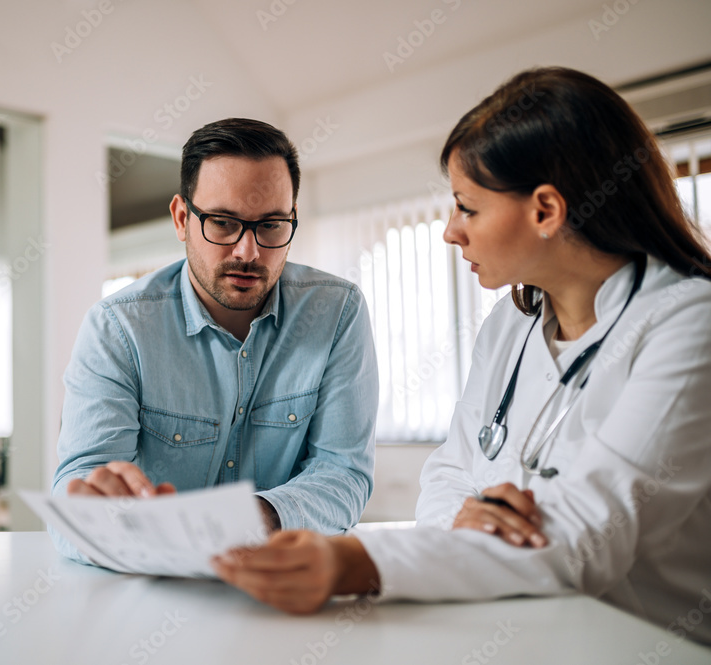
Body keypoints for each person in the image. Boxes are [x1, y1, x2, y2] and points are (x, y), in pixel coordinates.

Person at [212, 67, 711, 645]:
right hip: (515, 630)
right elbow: (448, 474)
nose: (451, 232)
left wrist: (357, 562)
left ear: (545, 210)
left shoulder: (688, 323)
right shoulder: (511, 324)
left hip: (648, 643)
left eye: (467, 207)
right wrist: (463, 521)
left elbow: (587, 540)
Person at [51, 118, 379, 563]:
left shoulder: (338, 312)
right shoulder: (118, 328)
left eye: (271, 225)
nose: (248, 252)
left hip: (283, 586)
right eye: (223, 223)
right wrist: (98, 510)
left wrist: (253, 520)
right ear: (182, 219)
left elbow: (343, 473)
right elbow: (78, 492)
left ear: (292, 219)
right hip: (152, 590)